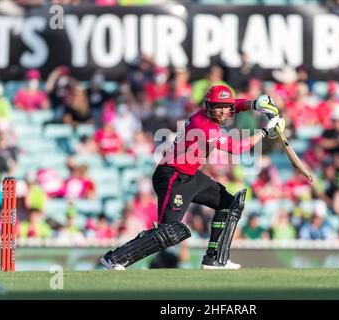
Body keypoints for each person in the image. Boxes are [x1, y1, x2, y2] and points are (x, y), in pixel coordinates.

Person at [100, 84, 283, 270]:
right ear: (208, 107)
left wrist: (255, 104)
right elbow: (236, 148)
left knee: (229, 205)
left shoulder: (214, 112)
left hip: (190, 175)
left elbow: (233, 104)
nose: (223, 112)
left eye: (226, 107)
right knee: (169, 232)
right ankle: (115, 258)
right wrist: (264, 132)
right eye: (218, 107)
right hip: (172, 177)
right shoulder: (202, 125)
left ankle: (214, 259)